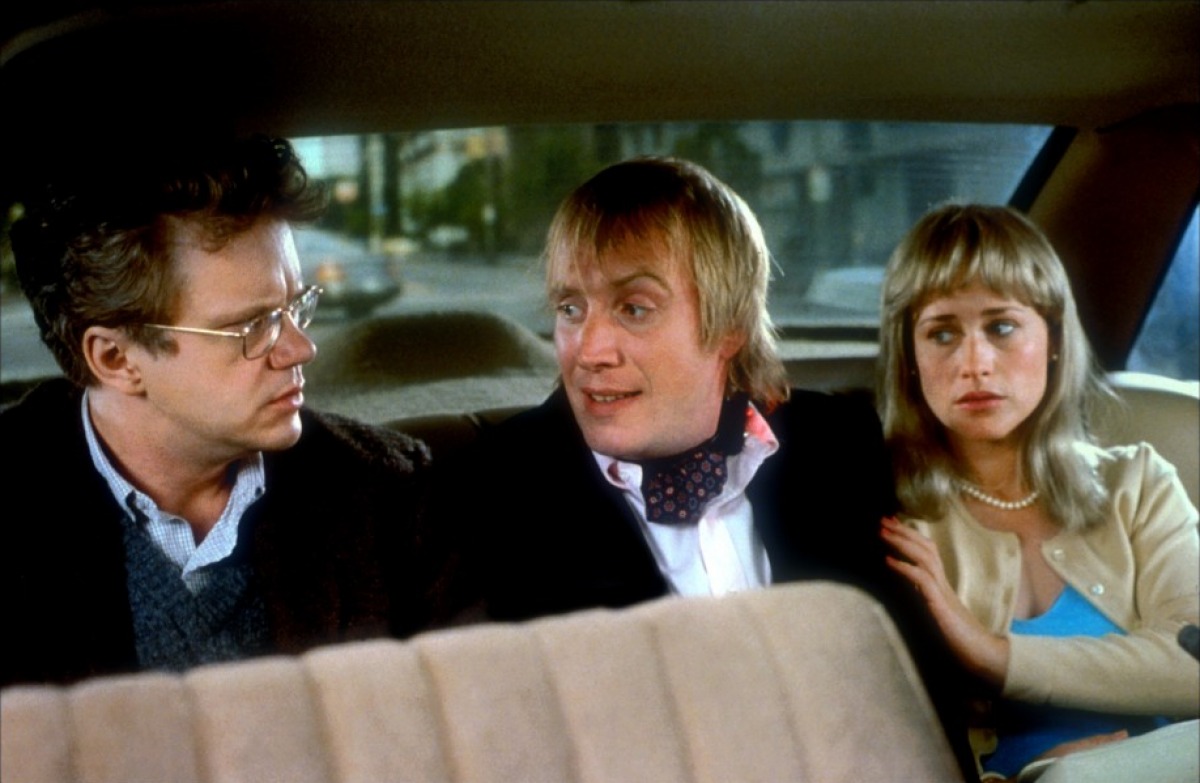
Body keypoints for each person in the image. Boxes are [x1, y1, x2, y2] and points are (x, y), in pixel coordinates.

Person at [427, 156, 977, 779]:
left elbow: (917, 711)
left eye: (634, 309)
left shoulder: (836, 446)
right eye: (571, 309)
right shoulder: (488, 494)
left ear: (730, 326)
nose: (588, 351)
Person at [1, 135, 432, 687]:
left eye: (295, 306)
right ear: (115, 359)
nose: (300, 348)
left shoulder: (388, 491)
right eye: (252, 326)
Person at [876, 203, 1200, 781]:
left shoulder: (1138, 484)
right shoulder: (894, 516)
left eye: (1001, 327)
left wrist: (994, 657)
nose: (975, 363)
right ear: (911, 357)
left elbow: (1194, 663)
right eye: (942, 333)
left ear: (1052, 336)